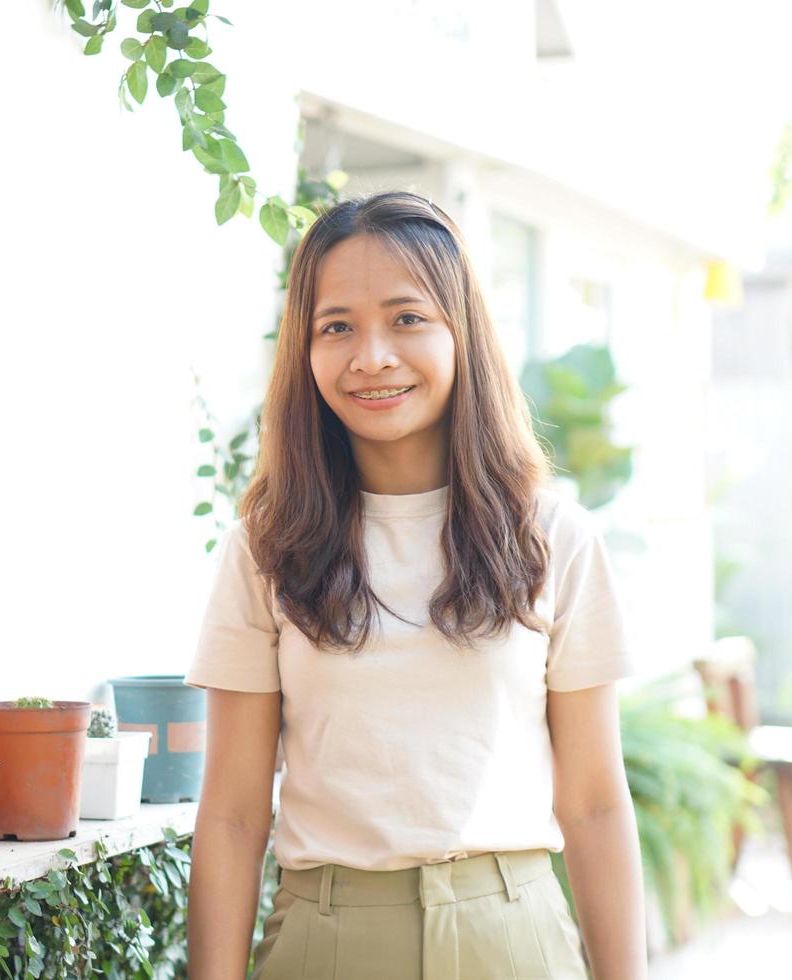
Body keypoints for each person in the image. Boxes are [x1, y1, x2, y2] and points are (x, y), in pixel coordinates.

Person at [184, 191, 647, 979]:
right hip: (323, 946)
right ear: (305, 348)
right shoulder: (265, 549)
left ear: (461, 331)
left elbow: (596, 803)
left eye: (407, 318)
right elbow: (230, 816)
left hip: (516, 941)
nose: (372, 356)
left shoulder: (552, 538)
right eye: (337, 327)